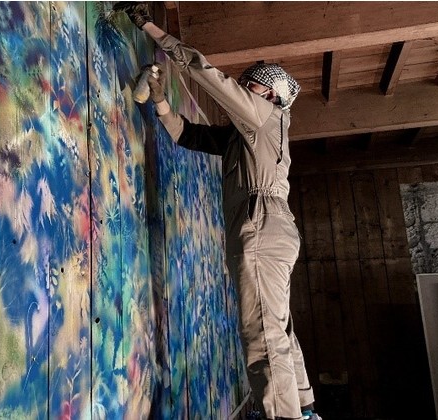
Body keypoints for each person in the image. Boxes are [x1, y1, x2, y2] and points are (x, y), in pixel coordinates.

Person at [115, 3, 321, 420]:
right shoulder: (246, 138)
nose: (243, 87)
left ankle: (284, 416)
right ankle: (304, 407)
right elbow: (188, 136)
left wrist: (149, 26)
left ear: (269, 94)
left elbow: (205, 73)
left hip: (262, 221)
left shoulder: (266, 117)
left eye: (251, 84)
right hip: (272, 225)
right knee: (277, 326)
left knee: (262, 331)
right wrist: (160, 100)